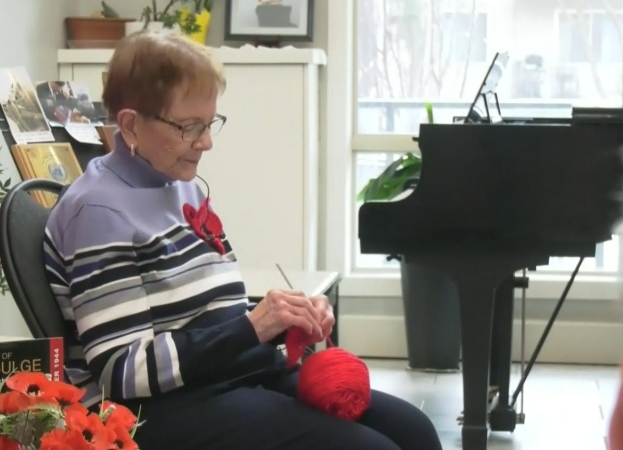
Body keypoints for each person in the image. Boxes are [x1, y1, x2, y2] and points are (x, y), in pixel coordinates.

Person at [43, 31, 443, 450]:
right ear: (130, 124)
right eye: (189, 127)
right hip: (156, 410)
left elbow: (213, 319)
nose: (206, 141)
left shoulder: (180, 185)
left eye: (210, 122)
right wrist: (252, 327)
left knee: (414, 431)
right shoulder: (99, 212)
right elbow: (124, 372)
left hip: (225, 377)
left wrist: (286, 320)